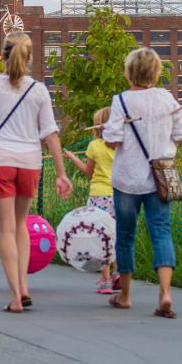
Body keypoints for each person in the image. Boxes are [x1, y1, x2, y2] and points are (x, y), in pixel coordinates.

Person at [0, 31, 72, 313]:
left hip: (1, 159)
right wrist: (62, 174)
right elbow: (51, 135)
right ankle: (25, 286)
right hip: (31, 162)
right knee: (21, 224)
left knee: (6, 229)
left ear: (3, 55)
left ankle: (16, 297)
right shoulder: (38, 90)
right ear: (28, 58)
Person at [103, 47, 182, 318]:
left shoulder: (121, 100)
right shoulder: (168, 100)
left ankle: (126, 296)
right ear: (156, 72)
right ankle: (165, 294)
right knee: (161, 232)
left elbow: (112, 138)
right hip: (160, 178)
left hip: (128, 178)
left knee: (126, 236)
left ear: (130, 72)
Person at [63, 106, 117, 295]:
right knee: (114, 236)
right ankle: (118, 273)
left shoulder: (95, 146)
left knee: (100, 237)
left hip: (98, 195)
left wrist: (72, 157)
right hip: (118, 195)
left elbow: (88, 172)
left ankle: (105, 279)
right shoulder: (121, 145)